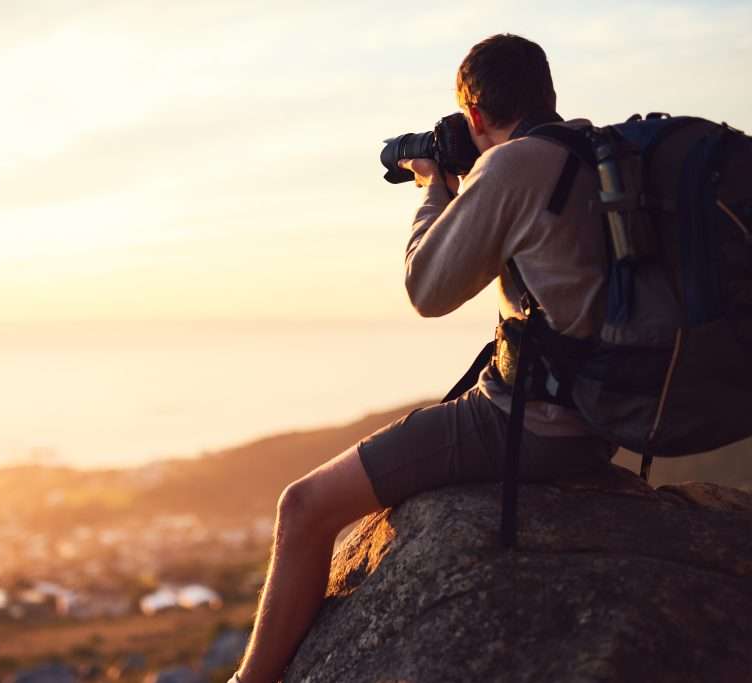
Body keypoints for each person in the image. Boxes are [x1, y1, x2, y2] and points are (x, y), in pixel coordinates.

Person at [228, 34, 618, 683]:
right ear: (548, 93)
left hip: (530, 426)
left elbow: (426, 289)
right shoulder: (589, 153)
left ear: (473, 118)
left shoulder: (514, 165)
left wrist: (434, 187)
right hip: (603, 416)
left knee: (302, 506)